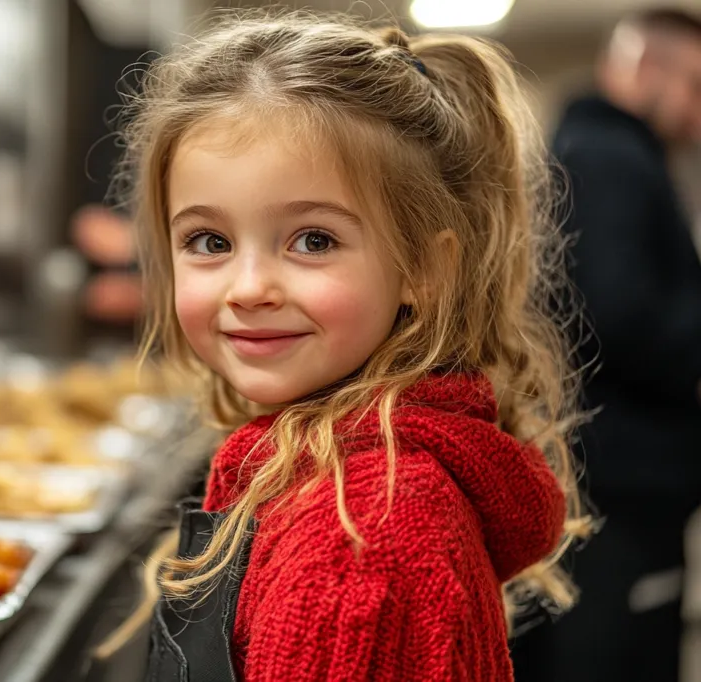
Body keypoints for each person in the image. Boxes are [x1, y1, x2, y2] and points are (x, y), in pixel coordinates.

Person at [93, 10, 590, 681]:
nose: (249, 287)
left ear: (426, 268)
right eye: (210, 242)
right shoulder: (321, 470)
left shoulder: (361, 537)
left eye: (313, 240)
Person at [510, 9, 701, 682]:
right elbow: (620, 316)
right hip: (618, 488)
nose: (697, 113)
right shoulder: (613, 157)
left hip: (592, 476)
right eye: (695, 88)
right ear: (646, 68)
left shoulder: (586, 149)